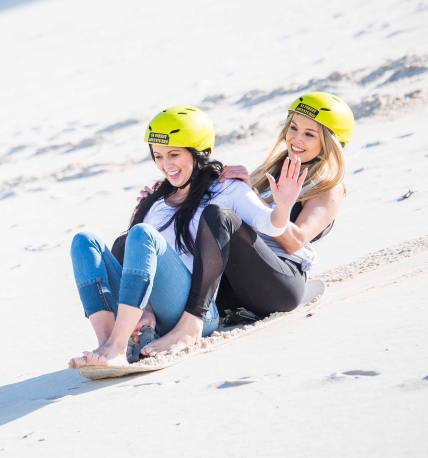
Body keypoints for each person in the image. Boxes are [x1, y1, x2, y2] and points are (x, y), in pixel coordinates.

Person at [68, 105, 308, 369]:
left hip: (193, 309)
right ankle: (110, 341)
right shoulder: (156, 202)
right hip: (151, 312)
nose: (165, 165)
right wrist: (145, 307)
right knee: (84, 241)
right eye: (158, 156)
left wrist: (283, 206)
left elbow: (269, 225)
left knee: (142, 234)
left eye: (174, 154)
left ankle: (120, 345)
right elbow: (140, 264)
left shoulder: (227, 188)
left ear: (199, 153)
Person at [136, 92, 354, 356]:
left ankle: (190, 324)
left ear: (331, 142)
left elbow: (296, 240)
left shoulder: (329, 189)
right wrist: (170, 197)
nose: (296, 138)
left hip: (278, 286)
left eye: (310, 134)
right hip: (236, 287)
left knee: (220, 216)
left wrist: (256, 198)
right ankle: (141, 326)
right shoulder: (272, 169)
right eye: (293, 128)